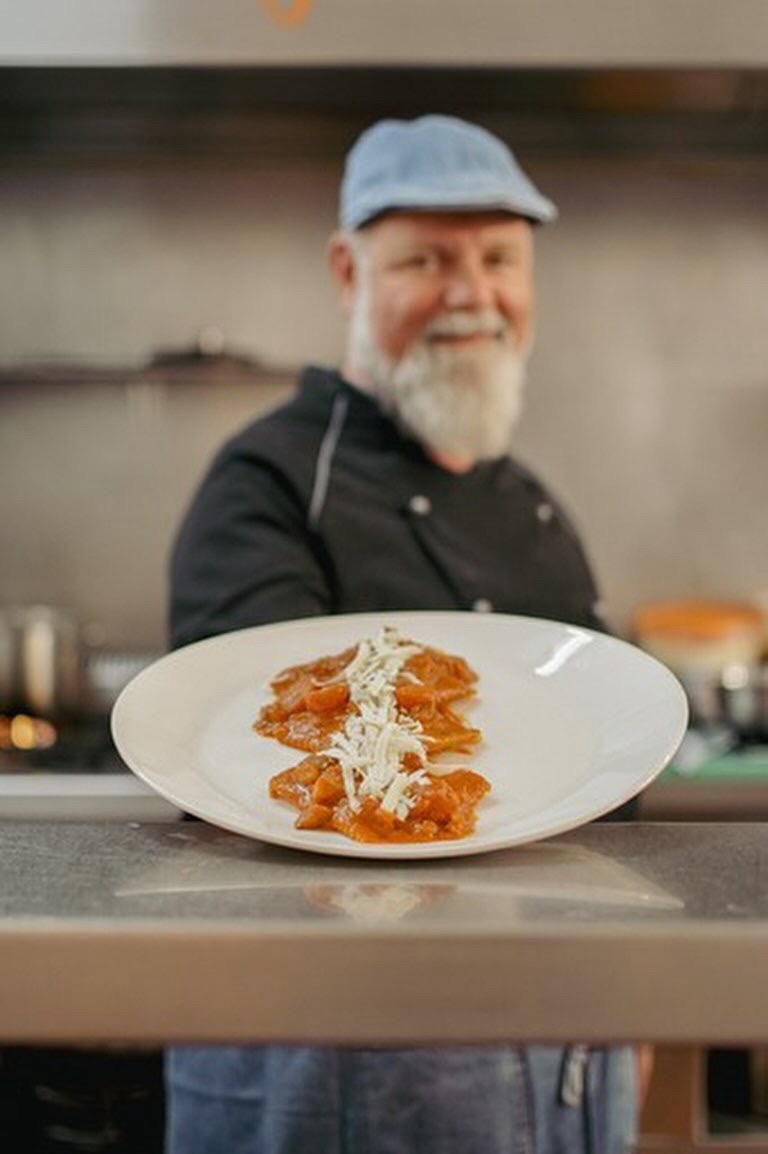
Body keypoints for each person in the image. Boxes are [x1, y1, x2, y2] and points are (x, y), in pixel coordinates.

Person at [167, 115, 639, 1154]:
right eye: (426, 258)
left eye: (500, 258)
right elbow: (252, 778)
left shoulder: (531, 500)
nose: (472, 292)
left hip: (565, 1027)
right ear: (348, 271)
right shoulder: (269, 480)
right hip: (350, 1054)